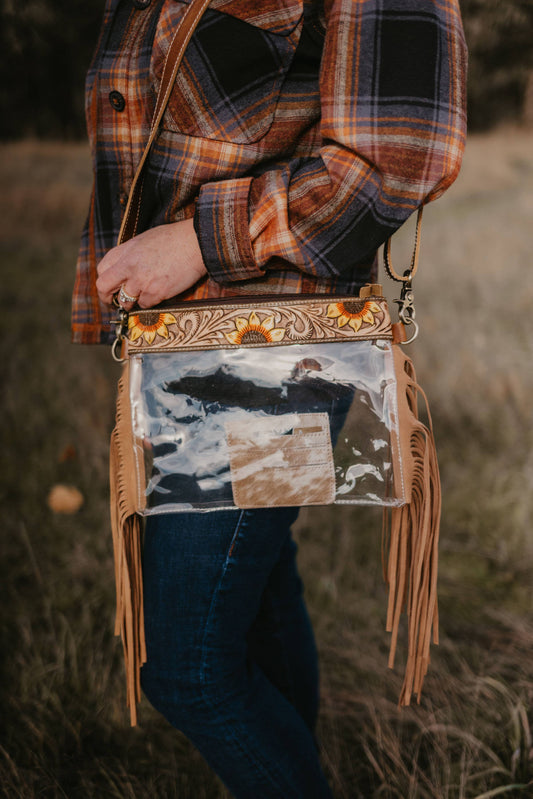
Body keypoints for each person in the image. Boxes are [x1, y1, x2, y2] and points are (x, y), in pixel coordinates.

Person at [72, 0, 467, 795]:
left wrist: (196, 241)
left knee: (185, 667)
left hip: (275, 348)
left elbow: (400, 153)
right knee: (253, 596)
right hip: (187, 343)